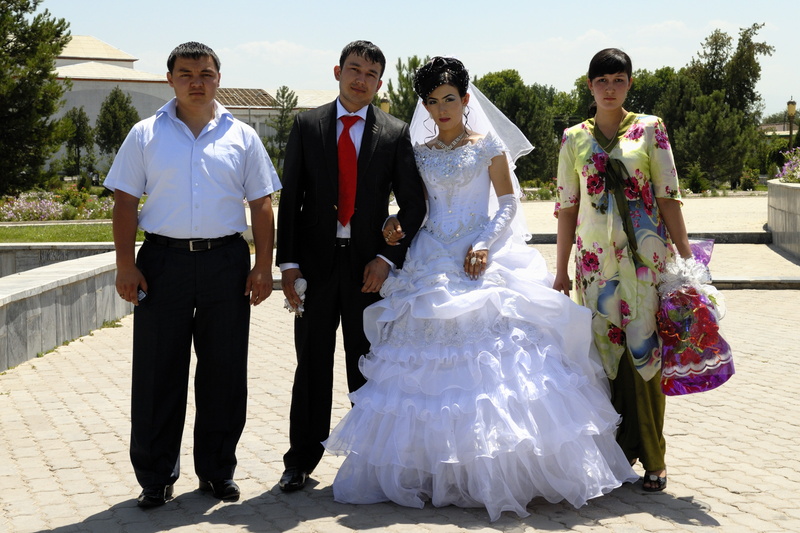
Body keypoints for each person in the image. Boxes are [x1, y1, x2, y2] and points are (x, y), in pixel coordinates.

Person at [323, 57, 638, 522]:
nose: (441, 109)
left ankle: (500, 471)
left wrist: (485, 244)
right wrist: (395, 224)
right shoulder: (418, 149)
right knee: (421, 363)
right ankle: (430, 471)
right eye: (431, 102)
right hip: (431, 257)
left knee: (499, 357)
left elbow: (508, 203)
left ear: (466, 100)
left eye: (449, 99)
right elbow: (415, 207)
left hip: (476, 255)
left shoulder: (487, 144)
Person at [105, 41, 281, 507]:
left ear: (218, 78)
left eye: (205, 73)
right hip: (162, 264)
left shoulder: (243, 137)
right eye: (186, 74)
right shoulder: (144, 134)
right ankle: (155, 476)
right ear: (170, 79)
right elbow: (125, 202)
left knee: (224, 371)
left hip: (226, 263)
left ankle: (217, 472)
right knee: (158, 371)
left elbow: (262, 205)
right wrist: (126, 264)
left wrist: (263, 266)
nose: (196, 82)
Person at [276, 40, 427, 492]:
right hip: (316, 268)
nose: (361, 80)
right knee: (312, 366)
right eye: (354, 70)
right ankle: (300, 460)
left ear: (379, 83)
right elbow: (291, 201)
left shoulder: (395, 132)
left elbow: (413, 205)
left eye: (370, 74)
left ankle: (371, 461)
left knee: (367, 366)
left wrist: (387, 257)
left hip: (368, 270)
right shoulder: (307, 125)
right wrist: (288, 265)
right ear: (338, 71)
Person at [554, 48, 693, 493]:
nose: (610, 88)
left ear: (629, 83)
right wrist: (561, 270)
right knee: (601, 360)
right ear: (589, 86)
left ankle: (654, 459)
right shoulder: (573, 137)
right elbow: (566, 208)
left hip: (645, 265)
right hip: (594, 268)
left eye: (618, 79)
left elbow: (668, 195)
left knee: (645, 357)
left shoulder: (650, 130)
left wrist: (686, 260)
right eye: (602, 81)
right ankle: (610, 460)